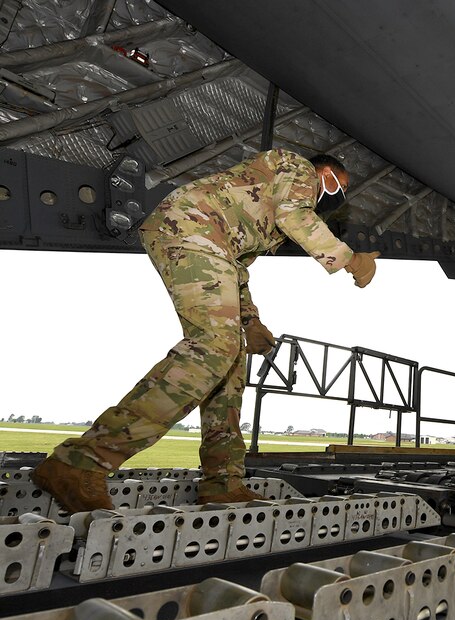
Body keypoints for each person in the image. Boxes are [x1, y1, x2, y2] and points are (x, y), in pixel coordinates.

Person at [32, 149, 381, 512]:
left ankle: (223, 482)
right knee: (215, 346)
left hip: (201, 235)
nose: (337, 196)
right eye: (337, 186)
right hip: (191, 225)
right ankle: (82, 461)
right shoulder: (297, 168)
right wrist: (351, 261)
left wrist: (251, 321)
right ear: (324, 172)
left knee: (229, 363)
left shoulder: (262, 214)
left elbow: (235, 269)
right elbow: (296, 215)